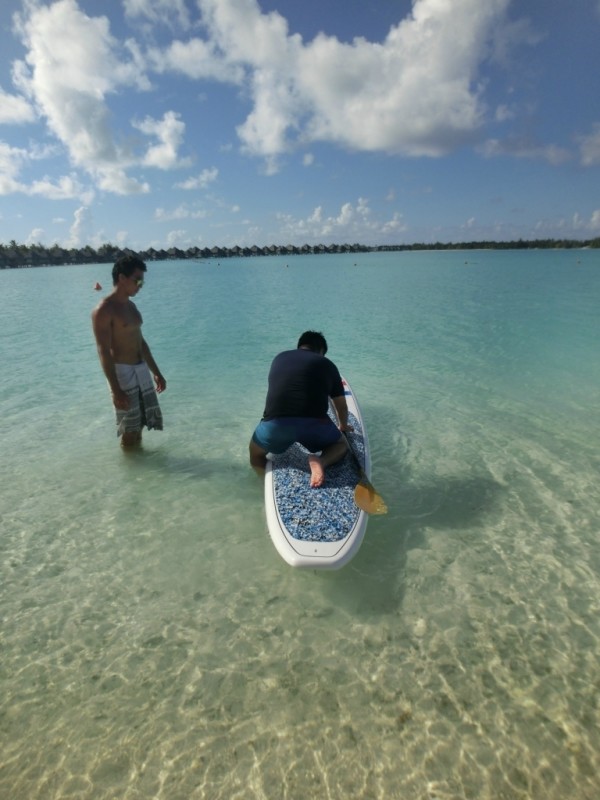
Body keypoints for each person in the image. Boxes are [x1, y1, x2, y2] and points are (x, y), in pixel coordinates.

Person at [249, 331, 352, 487]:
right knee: (342, 445)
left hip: (276, 425)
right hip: (314, 425)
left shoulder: (279, 358)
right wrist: (343, 426)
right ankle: (321, 461)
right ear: (321, 351)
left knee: (255, 452)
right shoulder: (327, 364)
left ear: (300, 346)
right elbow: (341, 405)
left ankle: (264, 482)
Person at [91, 254, 166, 447]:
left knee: (141, 424)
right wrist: (116, 390)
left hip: (141, 370)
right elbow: (103, 352)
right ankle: (132, 465)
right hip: (123, 374)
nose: (141, 284)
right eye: (137, 279)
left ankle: (138, 471)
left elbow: (141, 343)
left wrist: (156, 373)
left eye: (142, 280)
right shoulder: (104, 310)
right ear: (122, 278)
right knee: (129, 429)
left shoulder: (131, 306)